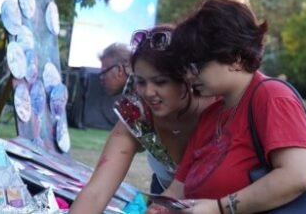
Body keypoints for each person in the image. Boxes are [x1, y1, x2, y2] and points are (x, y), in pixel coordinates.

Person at [147, 0, 306, 214]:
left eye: (195, 65)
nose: (188, 75)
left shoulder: (272, 96)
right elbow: (180, 186)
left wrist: (219, 208)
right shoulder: (211, 115)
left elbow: (297, 176)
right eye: (185, 66)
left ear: (235, 57)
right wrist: (162, 207)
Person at [69, 25, 217, 214]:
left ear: (185, 78)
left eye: (160, 82)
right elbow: (96, 193)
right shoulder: (137, 114)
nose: (148, 92)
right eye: (140, 81)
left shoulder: (218, 110)